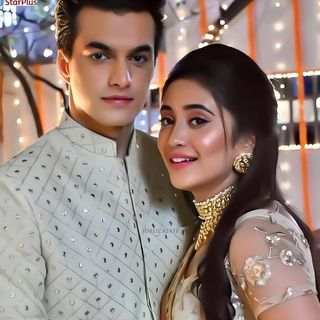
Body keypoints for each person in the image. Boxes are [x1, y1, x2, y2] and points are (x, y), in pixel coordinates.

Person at [0, 1, 195, 319]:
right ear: (65, 65)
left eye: (138, 57)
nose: (123, 78)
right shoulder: (15, 192)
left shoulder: (179, 165)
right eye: (100, 56)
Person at [158, 43, 320, 320]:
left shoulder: (255, 234)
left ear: (247, 140)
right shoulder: (212, 229)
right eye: (168, 119)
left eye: (197, 120)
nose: (174, 138)